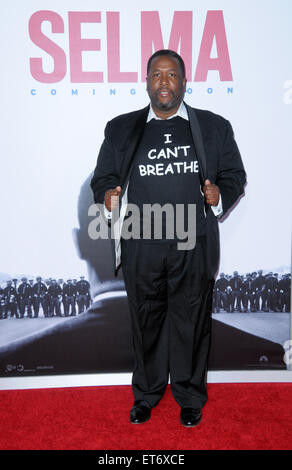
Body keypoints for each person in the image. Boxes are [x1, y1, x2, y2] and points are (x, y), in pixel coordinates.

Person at [91, 49, 246, 427]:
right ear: (147, 83)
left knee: (192, 320)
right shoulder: (121, 127)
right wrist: (109, 193)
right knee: (146, 321)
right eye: (157, 75)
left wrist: (219, 194)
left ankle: (190, 396)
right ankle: (146, 394)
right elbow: (102, 177)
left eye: (171, 75)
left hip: (193, 242)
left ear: (183, 82)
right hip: (141, 240)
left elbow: (234, 175)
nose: (164, 82)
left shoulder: (213, 126)